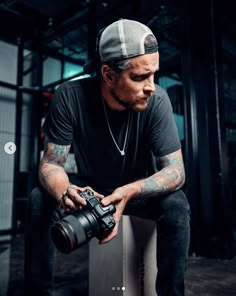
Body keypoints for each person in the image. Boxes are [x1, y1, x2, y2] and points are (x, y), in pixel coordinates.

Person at [24, 19, 190, 296]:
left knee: (176, 205)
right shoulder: (69, 97)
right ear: (108, 74)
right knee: (39, 199)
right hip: (91, 189)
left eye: (153, 75)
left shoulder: (157, 101)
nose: (151, 86)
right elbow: (51, 163)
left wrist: (132, 190)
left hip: (135, 192)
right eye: (139, 77)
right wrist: (66, 191)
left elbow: (175, 171)